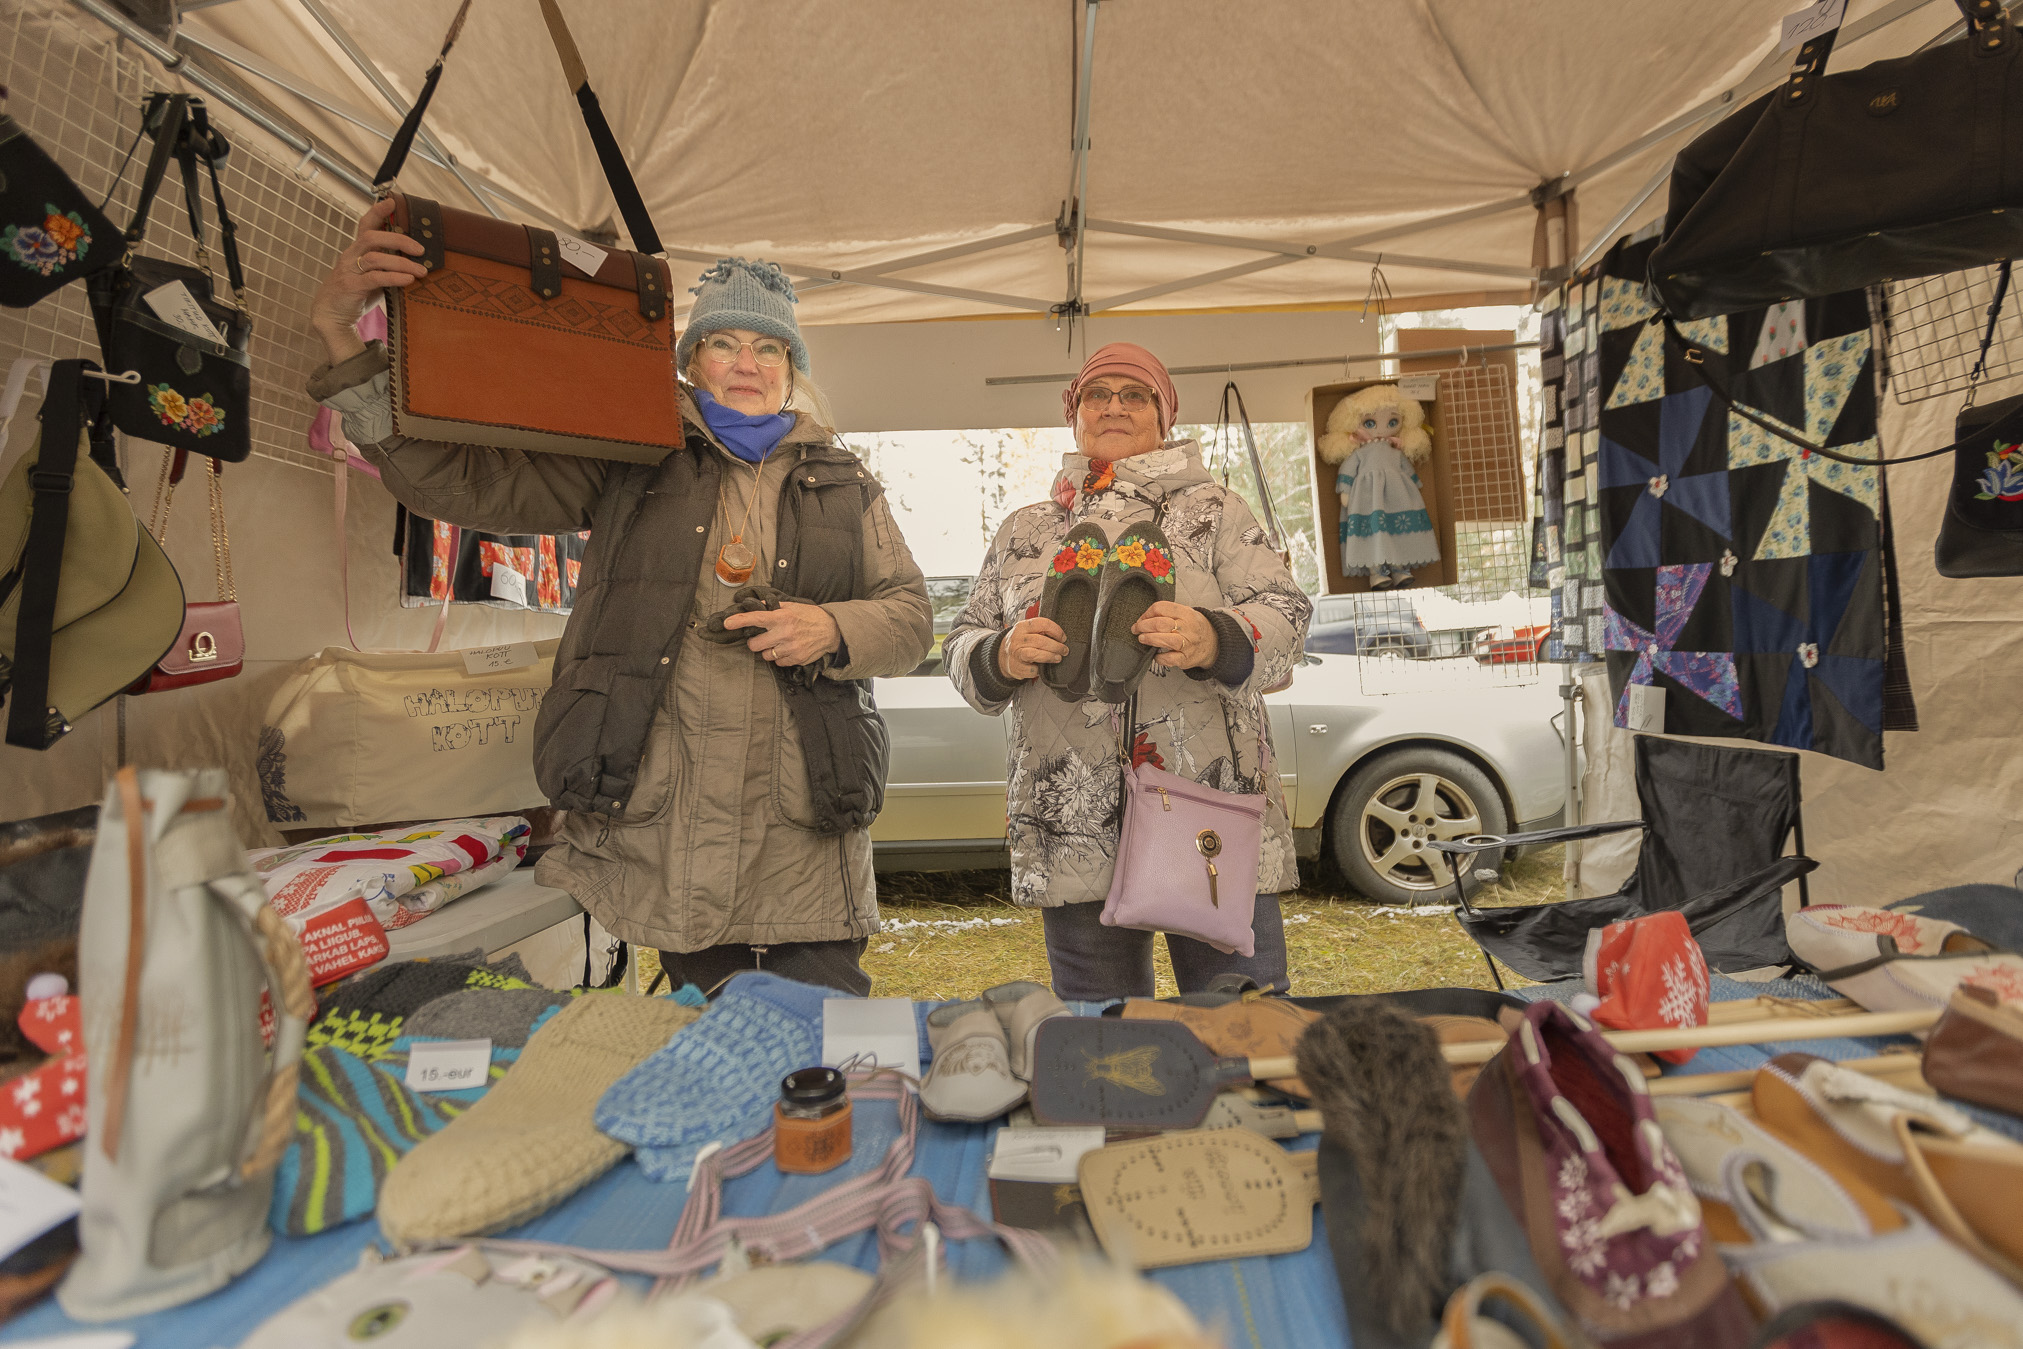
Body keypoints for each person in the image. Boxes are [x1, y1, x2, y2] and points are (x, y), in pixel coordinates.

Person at [304, 201, 931, 996]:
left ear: (791, 367)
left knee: (823, 1038)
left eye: (769, 347)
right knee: (699, 1038)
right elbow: (458, 479)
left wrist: (832, 626)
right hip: (672, 825)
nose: (747, 362)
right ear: (691, 361)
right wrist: (337, 333)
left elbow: (911, 617)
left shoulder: (845, 482)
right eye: (724, 344)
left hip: (800, 828)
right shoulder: (630, 457)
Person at [944, 342, 1311, 999]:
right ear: (1074, 415)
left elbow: (1286, 614)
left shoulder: (1214, 512)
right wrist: (996, 653)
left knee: (1241, 1013)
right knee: (1103, 1034)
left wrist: (1216, 635)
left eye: (1134, 394)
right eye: (1096, 393)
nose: (1113, 404)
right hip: (1070, 809)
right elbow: (961, 639)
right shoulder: (1023, 530)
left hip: (1205, 801)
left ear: (1163, 417)